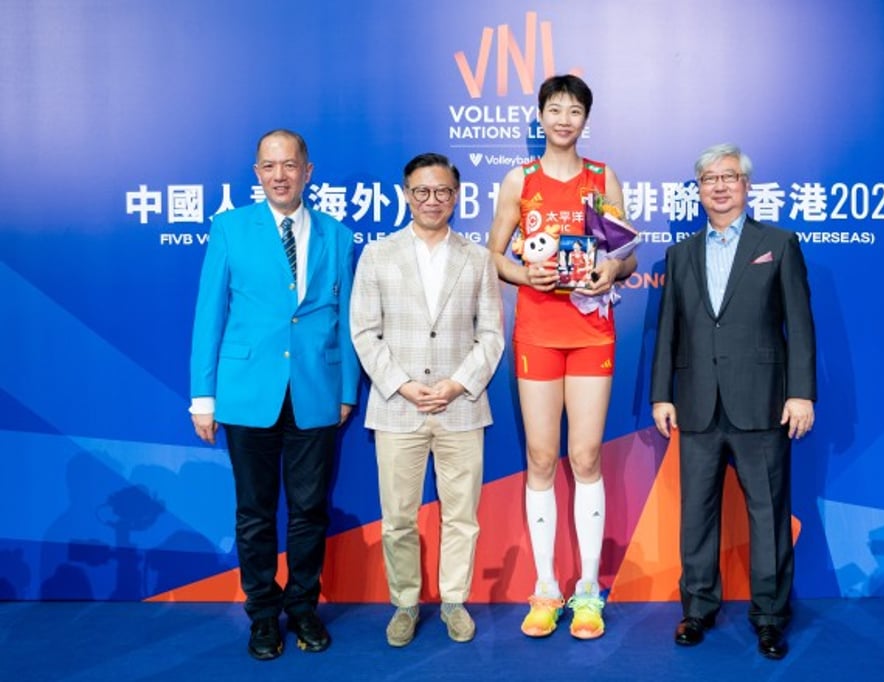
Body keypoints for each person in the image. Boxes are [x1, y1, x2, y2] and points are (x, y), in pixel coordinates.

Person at [189, 129, 358, 660]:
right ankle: (262, 613)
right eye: (269, 166)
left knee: (310, 510)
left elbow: (346, 317)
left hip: (316, 390)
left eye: (289, 165)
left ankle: (303, 607)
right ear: (257, 173)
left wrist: (346, 389)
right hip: (246, 392)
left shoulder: (337, 235)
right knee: (255, 512)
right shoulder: (230, 228)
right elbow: (209, 315)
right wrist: (203, 397)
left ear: (308, 172)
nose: (279, 175)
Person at [650, 143, 816, 660]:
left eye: (729, 177)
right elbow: (669, 331)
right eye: (709, 179)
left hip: (762, 402)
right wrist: (661, 395)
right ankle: (697, 608)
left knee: (768, 515)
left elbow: (800, 326)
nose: (719, 186)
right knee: (696, 515)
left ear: (746, 185)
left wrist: (801, 393)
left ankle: (769, 616)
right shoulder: (680, 254)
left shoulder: (779, 244)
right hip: (697, 402)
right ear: (698, 191)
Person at [488, 74, 637, 640]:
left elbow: (626, 253)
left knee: (587, 455)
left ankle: (589, 590)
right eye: (555, 109)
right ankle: (546, 587)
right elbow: (493, 255)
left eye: (574, 111)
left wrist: (611, 269)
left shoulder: (602, 178)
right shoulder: (519, 180)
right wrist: (526, 274)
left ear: (585, 120)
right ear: (540, 117)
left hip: (592, 331)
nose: (564, 120)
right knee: (541, 456)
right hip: (537, 333)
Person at [350, 153, 504, 647]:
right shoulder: (378, 254)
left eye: (441, 191)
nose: (431, 200)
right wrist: (401, 383)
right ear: (406, 195)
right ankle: (405, 603)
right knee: (398, 517)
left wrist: (458, 383)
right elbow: (364, 331)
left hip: (461, 407)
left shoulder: (477, 257)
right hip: (398, 407)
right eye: (421, 191)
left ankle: (454, 601)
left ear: (456, 197)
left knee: (462, 516)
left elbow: (492, 335)